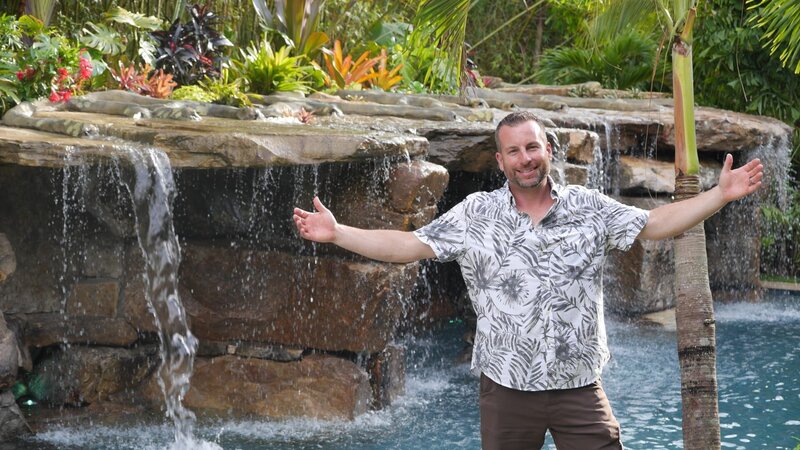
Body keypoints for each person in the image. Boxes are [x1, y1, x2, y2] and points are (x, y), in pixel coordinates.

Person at [292, 111, 764, 450]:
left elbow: (655, 223)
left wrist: (719, 194)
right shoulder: (475, 214)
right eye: (514, 150)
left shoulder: (587, 206)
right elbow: (408, 246)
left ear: (548, 150)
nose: (525, 158)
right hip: (508, 390)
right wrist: (338, 233)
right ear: (500, 161)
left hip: (579, 388)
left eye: (532, 147)